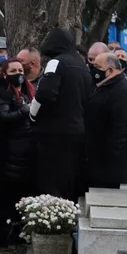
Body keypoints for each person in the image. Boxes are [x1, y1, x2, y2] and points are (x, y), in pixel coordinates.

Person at [32, 27, 92, 201]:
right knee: (68, 181)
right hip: (77, 132)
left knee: (50, 183)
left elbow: (44, 94)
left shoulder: (56, 63)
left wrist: (32, 115)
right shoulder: (82, 65)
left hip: (54, 133)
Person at [0, 57, 33, 246]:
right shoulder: (2, 93)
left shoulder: (28, 91)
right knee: (6, 197)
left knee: (20, 196)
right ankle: (0, 236)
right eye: (14, 71)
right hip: (9, 152)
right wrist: (25, 110)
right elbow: (3, 118)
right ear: (5, 74)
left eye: (20, 71)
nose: (18, 75)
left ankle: (17, 233)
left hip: (25, 152)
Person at [85, 53, 127, 190]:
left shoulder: (123, 91)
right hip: (96, 161)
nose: (94, 70)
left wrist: (107, 158)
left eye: (97, 66)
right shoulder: (105, 85)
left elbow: (122, 129)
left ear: (110, 70)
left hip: (106, 167)